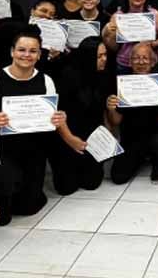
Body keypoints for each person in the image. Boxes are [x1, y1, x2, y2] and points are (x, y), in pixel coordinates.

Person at [0, 29, 70, 225]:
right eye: (21, 50)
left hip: (34, 148)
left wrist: (58, 118)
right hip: (1, 148)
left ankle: (17, 195)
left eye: (33, 51)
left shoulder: (46, 80)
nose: (27, 55)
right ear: (12, 52)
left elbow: (51, 117)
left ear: (39, 55)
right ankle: (3, 194)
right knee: (5, 183)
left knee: (30, 207)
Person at [47, 36, 110, 195]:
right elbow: (57, 116)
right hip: (66, 136)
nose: (104, 59)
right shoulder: (68, 76)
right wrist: (70, 139)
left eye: (105, 55)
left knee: (91, 183)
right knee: (66, 188)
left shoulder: (103, 76)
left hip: (90, 137)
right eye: (99, 56)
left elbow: (101, 115)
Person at [109, 43, 158, 184]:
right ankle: (140, 157)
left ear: (153, 62)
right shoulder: (122, 83)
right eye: (136, 58)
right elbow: (116, 122)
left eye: (145, 58)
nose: (140, 62)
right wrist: (111, 108)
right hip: (131, 137)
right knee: (118, 177)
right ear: (129, 62)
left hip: (157, 135)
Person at [103, 0, 158, 74]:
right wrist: (108, 33)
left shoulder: (155, 14)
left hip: (149, 62)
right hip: (124, 64)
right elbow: (113, 48)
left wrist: (152, 44)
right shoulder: (117, 16)